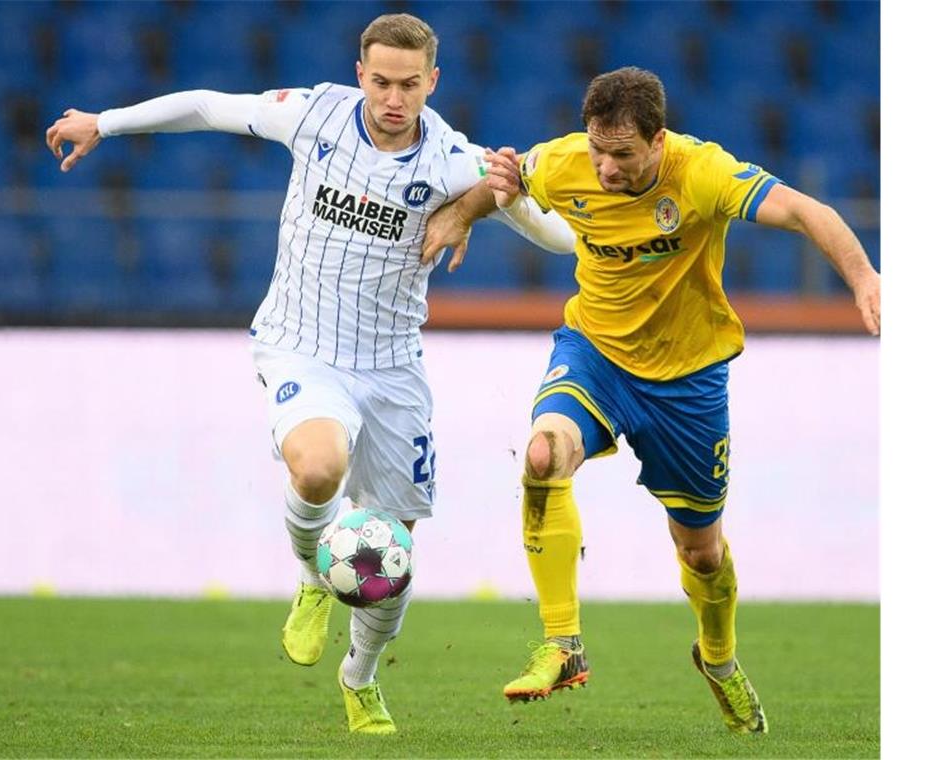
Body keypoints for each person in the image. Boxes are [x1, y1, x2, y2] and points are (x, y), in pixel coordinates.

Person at [44, 13, 575, 735]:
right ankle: (311, 576)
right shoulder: (317, 114)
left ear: (432, 83)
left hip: (392, 366)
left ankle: (359, 677)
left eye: (409, 85)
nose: (393, 98)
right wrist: (103, 123)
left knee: (393, 552)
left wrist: (517, 206)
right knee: (319, 469)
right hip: (302, 345)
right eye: (381, 81)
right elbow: (209, 106)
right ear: (361, 74)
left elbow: (543, 228)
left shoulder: (451, 157)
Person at [421, 66, 880, 735]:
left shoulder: (703, 174)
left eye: (623, 156)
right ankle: (562, 644)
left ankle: (718, 660)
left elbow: (810, 213)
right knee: (544, 453)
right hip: (596, 354)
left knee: (702, 554)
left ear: (658, 141)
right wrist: (464, 213)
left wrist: (864, 274)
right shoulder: (565, 162)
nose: (605, 169)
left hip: (688, 382)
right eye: (597, 150)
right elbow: (510, 181)